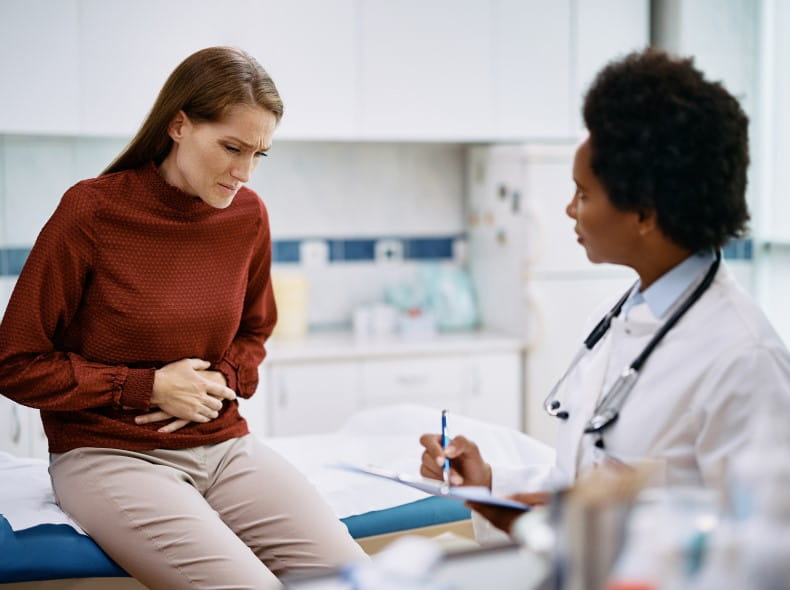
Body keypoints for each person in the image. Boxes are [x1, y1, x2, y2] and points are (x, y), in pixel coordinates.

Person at [0, 46, 366, 589]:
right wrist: (145, 387)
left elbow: (255, 328)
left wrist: (221, 379)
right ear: (179, 126)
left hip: (224, 447)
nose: (243, 172)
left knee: (357, 578)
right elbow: (15, 362)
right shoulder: (93, 211)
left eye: (259, 154)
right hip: (108, 454)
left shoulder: (247, 216)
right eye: (231, 147)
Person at [419, 48, 790, 536]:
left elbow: (764, 552)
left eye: (584, 193)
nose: (569, 210)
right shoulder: (616, 320)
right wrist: (488, 487)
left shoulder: (745, 361)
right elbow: (581, 484)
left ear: (646, 213)